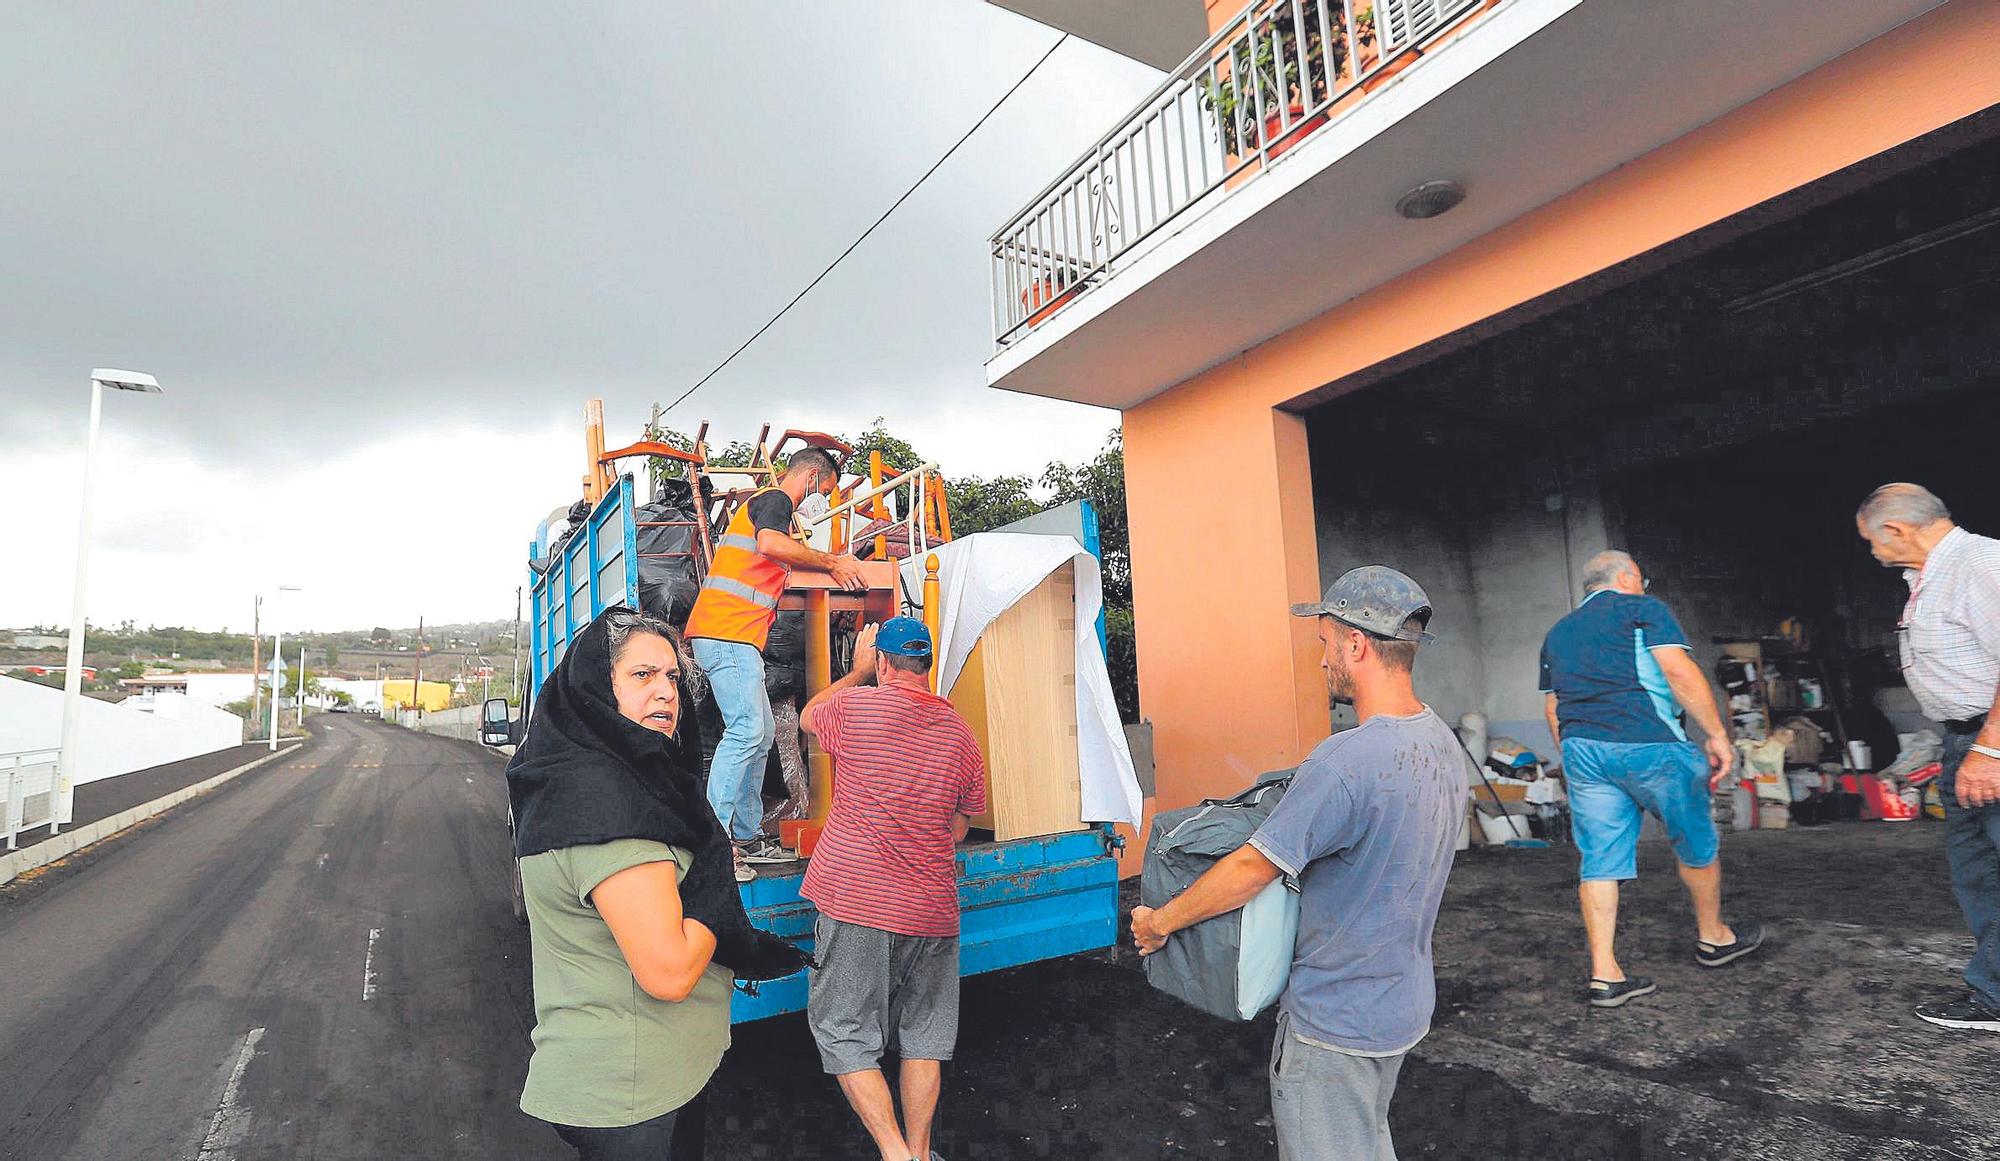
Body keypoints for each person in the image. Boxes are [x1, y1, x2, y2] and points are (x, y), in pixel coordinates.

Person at [1130, 566, 1465, 1161]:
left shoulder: (1346, 760)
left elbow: (1249, 870)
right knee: (1365, 1140)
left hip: (1336, 1023)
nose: (1323, 661)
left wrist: (1160, 923)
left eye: (1326, 644)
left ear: (1357, 644)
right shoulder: (1440, 741)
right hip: (1401, 1007)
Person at [507, 607, 810, 1159]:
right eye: (642, 675)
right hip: (632, 1094)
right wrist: (716, 878)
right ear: (597, 686)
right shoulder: (607, 805)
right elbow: (669, 973)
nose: (666, 692)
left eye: (672, 676)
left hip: (650, 1079)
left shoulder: (602, 780)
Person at [798, 618, 987, 1161]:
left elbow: (808, 716)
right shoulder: (961, 733)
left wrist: (854, 673)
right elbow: (959, 826)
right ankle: (922, 1152)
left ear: (882, 663)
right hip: (932, 909)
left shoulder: (856, 707)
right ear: (926, 665)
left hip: (857, 900)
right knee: (925, 1036)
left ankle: (896, 1155)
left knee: (845, 1030)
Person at [1539, 550, 1759, 1009]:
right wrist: (1718, 735)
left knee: (1599, 859)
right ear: (1627, 577)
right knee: (1695, 840)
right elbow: (1678, 671)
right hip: (1651, 744)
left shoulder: (1558, 632)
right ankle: (1714, 937)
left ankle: (1605, 973)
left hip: (1584, 749)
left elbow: (1553, 706)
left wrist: (1578, 756)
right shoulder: (1643, 609)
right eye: (1642, 578)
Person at [685, 448, 868, 882]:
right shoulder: (775, 501)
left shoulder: (773, 516)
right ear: (808, 476)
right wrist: (832, 562)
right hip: (727, 633)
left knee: (761, 732)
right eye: (821, 491)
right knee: (748, 730)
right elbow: (769, 544)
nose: (816, 501)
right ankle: (714, 844)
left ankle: (747, 836)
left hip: (735, 636)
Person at [1856, 483, 2000, 1032]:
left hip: (1988, 741)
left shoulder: (1981, 563)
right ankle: (1995, 994)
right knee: (1979, 875)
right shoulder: (1930, 576)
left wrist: (1989, 748)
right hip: (1963, 741)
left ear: (1894, 529)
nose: (1870, 551)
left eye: (1870, 539)